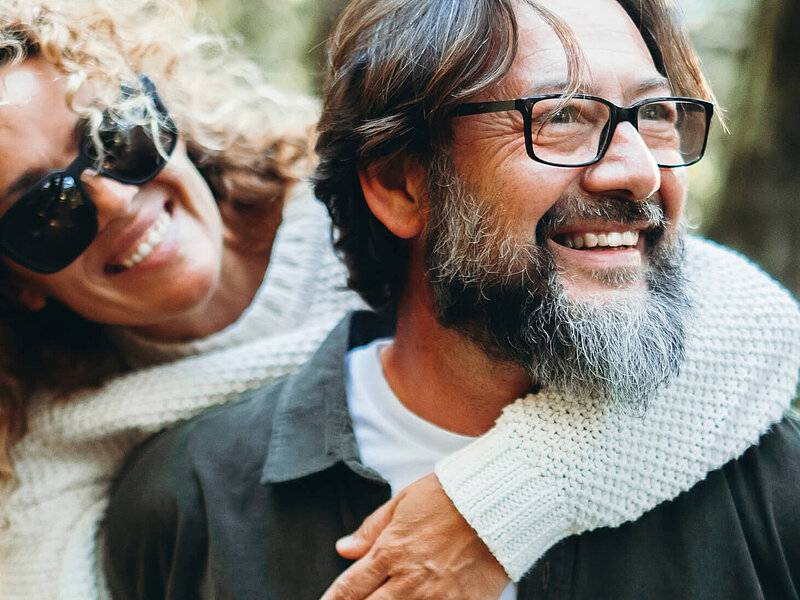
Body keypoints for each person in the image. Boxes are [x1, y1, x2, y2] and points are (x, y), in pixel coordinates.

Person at [102, 0, 800, 598]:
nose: (641, 172)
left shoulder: (771, 478)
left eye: (655, 114)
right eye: (560, 116)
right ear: (400, 185)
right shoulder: (186, 501)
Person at [0, 1, 364, 598]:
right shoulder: (70, 431)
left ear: (164, 107)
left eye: (112, 132)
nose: (115, 201)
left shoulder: (373, 203)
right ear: (17, 284)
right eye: (47, 208)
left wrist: (475, 516)